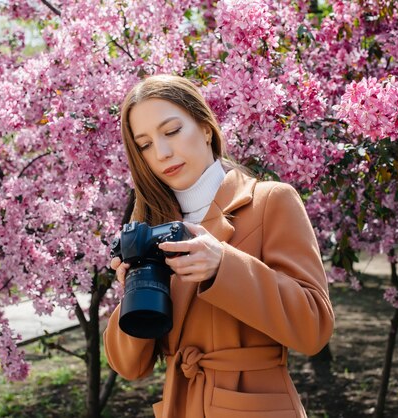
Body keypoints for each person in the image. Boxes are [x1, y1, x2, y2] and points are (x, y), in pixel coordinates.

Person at [103, 74, 334, 418]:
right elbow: (130, 367)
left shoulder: (270, 202)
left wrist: (223, 266)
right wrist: (135, 288)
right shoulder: (151, 230)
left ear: (206, 128)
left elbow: (314, 328)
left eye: (171, 131)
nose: (163, 152)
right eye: (145, 144)